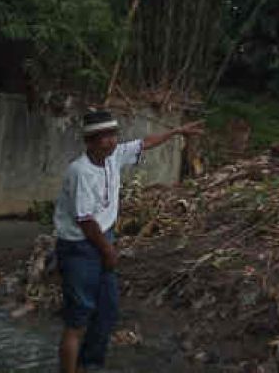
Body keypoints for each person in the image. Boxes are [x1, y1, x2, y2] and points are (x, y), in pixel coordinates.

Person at [53, 108, 204, 372]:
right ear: (90, 141)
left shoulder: (112, 158)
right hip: (80, 247)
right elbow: (85, 220)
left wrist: (177, 132)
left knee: (107, 312)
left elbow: (145, 143)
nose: (111, 141)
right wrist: (108, 251)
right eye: (103, 136)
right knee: (78, 318)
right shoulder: (80, 171)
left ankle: (89, 365)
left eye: (112, 135)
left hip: (101, 239)